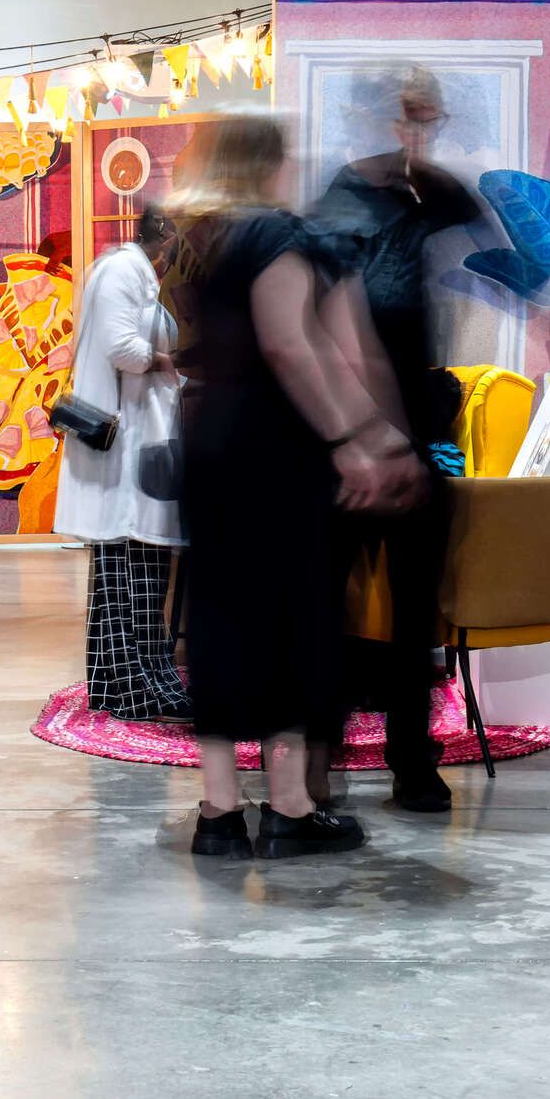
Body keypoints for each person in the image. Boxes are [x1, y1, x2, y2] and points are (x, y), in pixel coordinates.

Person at [174, 113, 422, 860]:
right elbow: (296, 344)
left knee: (216, 617)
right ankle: (287, 805)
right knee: (294, 615)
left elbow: (191, 350)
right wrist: (364, 440)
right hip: (276, 449)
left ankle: (219, 812)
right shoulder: (282, 238)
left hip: (209, 443)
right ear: (271, 164)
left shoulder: (192, 242)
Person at [311, 65, 482, 814]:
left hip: (416, 434)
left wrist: (415, 152)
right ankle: (317, 767)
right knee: (325, 604)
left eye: (431, 121)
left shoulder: (422, 194)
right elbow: (325, 338)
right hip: (346, 438)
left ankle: (412, 760)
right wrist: (361, 435)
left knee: (416, 612)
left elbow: (469, 210)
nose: (424, 133)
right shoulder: (335, 208)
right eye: (412, 119)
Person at [54, 209, 189, 723]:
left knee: (139, 569)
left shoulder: (132, 269)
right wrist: (176, 363)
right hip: (125, 445)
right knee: (129, 567)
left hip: (141, 439)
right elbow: (123, 350)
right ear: (168, 233)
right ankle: (132, 688)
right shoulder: (123, 270)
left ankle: (139, 683)